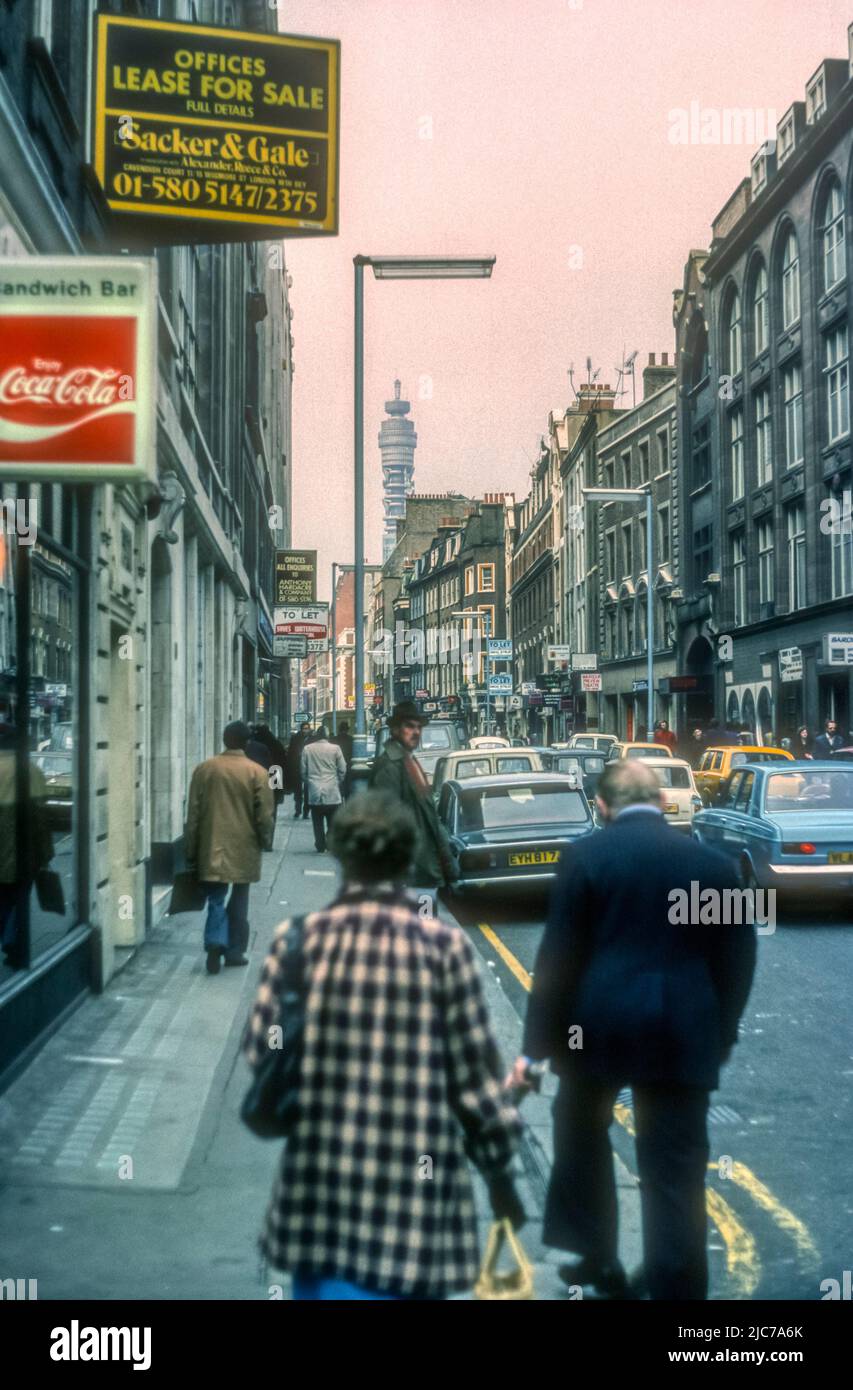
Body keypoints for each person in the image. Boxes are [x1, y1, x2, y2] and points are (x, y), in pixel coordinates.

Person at [243, 792, 524, 1300]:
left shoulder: (298, 940)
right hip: (415, 1214)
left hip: (321, 1200)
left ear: (341, 855)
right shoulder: (442, 948)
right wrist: (501, 1174)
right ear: (405, 856)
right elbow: (476, 1085)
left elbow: (262, 1053)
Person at [508, 760, 756, 1301]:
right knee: (675, 1165)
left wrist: (534, 1051)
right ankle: (677, 1286)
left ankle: (596, 1257)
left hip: (597, 1032)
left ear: (602, 805)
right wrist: (723, 1033)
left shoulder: (585, 857)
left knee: (579, 1132)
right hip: (683, 1034)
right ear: (664, 803)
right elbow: (737, 958)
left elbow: (559, 960)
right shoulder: (712, 866)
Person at [184, 721, 275, 975]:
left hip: (211, 844)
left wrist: (191, 848)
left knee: (215, 897)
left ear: (225, 740)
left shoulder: (204, 769)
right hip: (244, 846)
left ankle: (215, 941)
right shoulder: (257, 772)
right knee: (240, 897)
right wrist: (265, 841)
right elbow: (265, 816)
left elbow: (193, 814)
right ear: (247, 743)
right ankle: (235, 951)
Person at [368, 700, 457, 894]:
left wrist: (448, 866)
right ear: (394, 730)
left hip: (423, 872)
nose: (416, 732)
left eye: (418, 727)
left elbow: (430, 819)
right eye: (409, 726)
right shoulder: (390, 767)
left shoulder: (409, 761)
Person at [0, 722, 54, 970]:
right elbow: (41, 818)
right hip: (24, 854)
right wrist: (46, 854)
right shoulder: (31, 772)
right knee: (19, 900)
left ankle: (9, 938)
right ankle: (14, 943)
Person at [301, 727, 346, 852]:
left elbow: (303, 770)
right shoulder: (335, 748)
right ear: (327, 736)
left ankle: (320, 845)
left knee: (317, 820)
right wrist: (338, 780)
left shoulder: (307, 749)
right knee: (332, 820)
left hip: (315, 789)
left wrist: (309, 781)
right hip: (332, 788)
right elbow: (342, 768)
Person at [286, 722, 312, 819]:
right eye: (304, 728)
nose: (306, 730)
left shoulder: (312, 739)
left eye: (307, 728)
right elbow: (291, 753)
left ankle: (306, 811)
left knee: (307, 791)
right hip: (297, 767)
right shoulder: (295, 738)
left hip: (309, 768)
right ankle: (298, 810)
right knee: (298, 791)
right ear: (301, 729)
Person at [332, 720, 354, 800]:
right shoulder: (351, 739)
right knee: (348, 787)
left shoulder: (334, 739)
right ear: (347, 730)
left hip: (336, 766)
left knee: (338, 787)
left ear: (339, 729)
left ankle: (339, 803)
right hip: (348, 765)